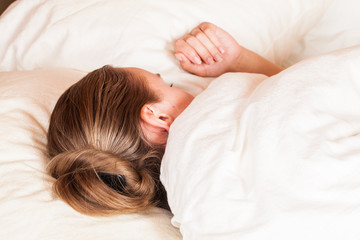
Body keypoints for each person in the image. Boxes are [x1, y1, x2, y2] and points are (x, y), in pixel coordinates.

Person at [46, 22, 283, 216]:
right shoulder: (229, 102)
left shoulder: (191, 206)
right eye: (169, 85)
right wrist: (238, 63)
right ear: (158, 116)